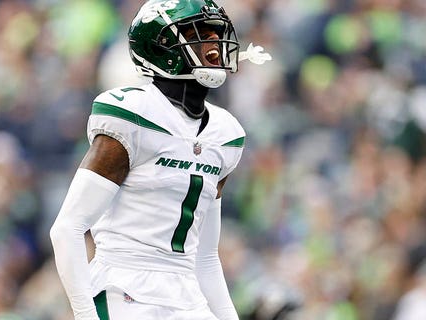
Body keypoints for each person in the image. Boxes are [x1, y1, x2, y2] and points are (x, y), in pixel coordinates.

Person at [49, 0, 270, 319]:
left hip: (187, 297)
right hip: (124, 288)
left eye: (215, 34)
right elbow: (67, 227)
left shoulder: (226, 134)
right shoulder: (134, 116)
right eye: (201, 34)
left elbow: (204, 257)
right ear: (162, 46)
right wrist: (85, 314)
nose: (214, 45)